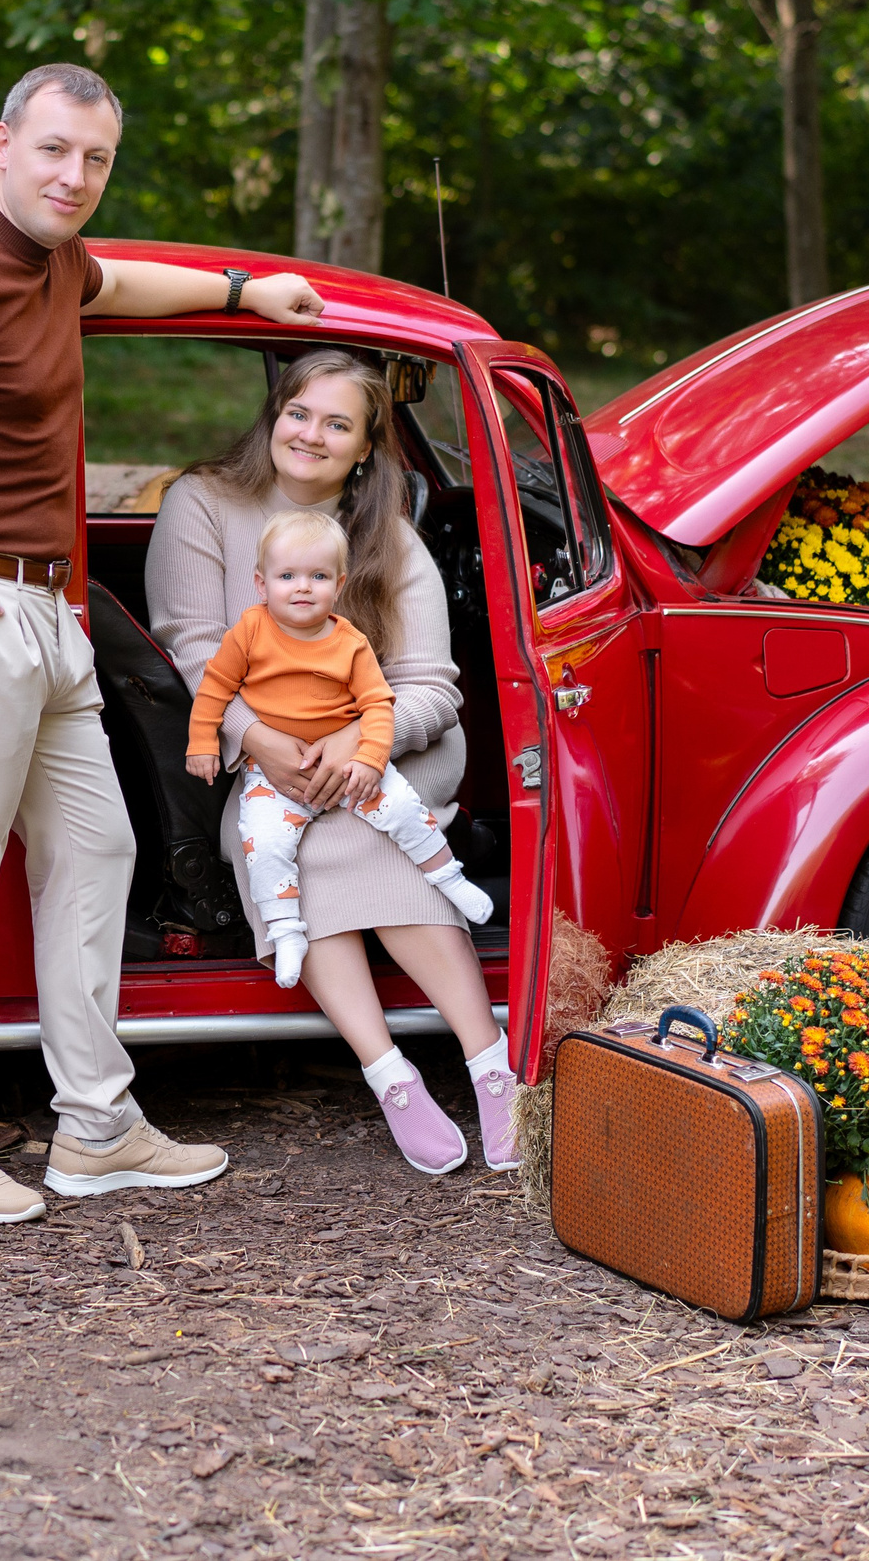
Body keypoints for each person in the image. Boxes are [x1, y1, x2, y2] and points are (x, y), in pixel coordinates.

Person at [0, 63, 328, 1226]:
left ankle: (95, 1125)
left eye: (95, 158)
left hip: (49, 617)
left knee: (95, 854)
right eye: (53, 150)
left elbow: (121, 282)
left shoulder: (48, 262)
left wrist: (248, 289)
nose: (73, 176)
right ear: (1, 143)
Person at [146, 350, 518, 1175]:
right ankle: (390, 1072)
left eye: (338, 424)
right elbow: (195, 648)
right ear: (273, 414)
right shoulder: (201, 502)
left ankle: (490, 1066)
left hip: (397, 746)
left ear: (365, 447)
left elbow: (432, 689)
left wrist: (356, 745)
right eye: (300, 413)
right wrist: (266, 743)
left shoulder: (387, 537)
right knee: (305, 840)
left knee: (355, 824)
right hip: (265, 749)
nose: (311, 435)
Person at [186, 508, 493, 998]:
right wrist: (202, 743)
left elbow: (378, 705)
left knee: (407, 813)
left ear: (339, 583)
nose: (302, 587)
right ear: (262, 585)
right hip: (273, 774)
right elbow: (215, 689)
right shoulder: (249, 632)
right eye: (288, 576)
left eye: (318, 577)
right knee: (264, 845)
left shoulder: (349, 642)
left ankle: (450, 880)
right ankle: (286, 931)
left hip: (349, 763)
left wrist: (370, 762)